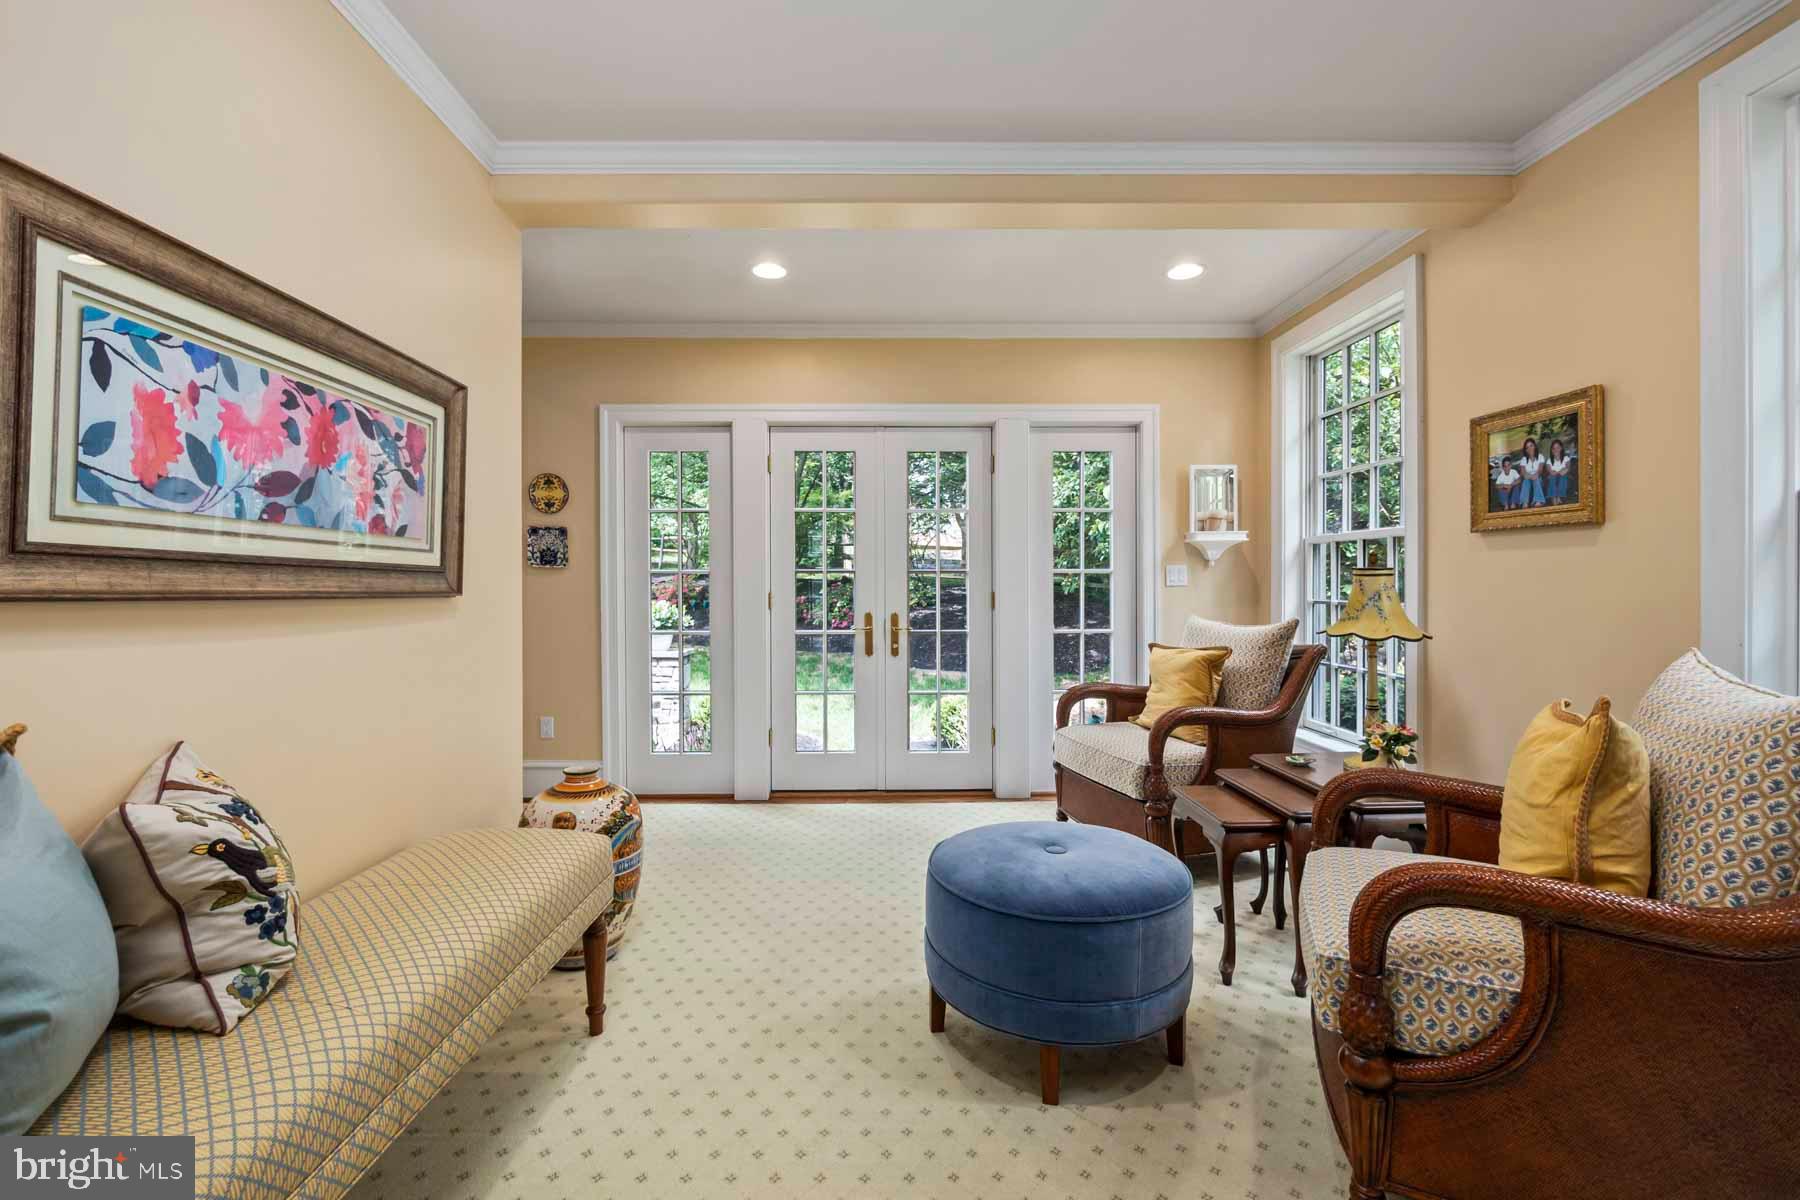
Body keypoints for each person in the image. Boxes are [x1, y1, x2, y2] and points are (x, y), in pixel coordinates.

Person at [1516, 437, 1548, 507]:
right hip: (1528, 479)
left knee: (1536, 479)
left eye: (1531, 446)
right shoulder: (1524, 459)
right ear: (1526, 450)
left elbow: (1540, 471)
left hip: (1538, 478)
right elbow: (1524, 474)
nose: (1529, 449)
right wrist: (1531, 476)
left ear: (1535, 446)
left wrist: (1534, 475)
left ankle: (1538, 501)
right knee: (1526, 481)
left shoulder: (1540, 456)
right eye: (1527, 447)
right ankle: (1525, 502)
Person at [1546, 438, 1573, 504]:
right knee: (1552, 477)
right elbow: (1550, 471)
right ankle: (1553, 497)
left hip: (1564, 476)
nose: (1556, 450)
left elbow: (1568, 468)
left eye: (1558, 447)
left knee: (1563, 475)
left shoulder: (1566, 458)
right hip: (1553, 477)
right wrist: (1559, 471)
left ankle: (1559, 496)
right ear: (1551, 450)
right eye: (1554, 448)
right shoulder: (1549, 460)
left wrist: (1563, 470)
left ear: (1561, 448)